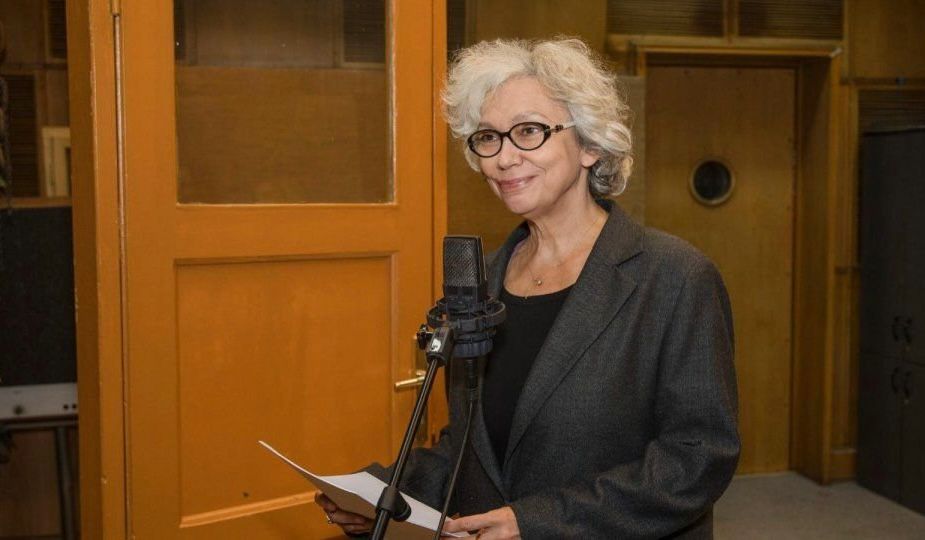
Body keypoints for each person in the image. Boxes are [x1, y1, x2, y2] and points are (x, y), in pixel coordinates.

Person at [315, 37, 739, 539]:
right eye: (488, 137)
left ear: (590, 145)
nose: (503, 158)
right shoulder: (481, 280)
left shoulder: (675, 277)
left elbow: (697, 459)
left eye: (529, 131)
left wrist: (535, 523)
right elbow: (471, 448)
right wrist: (385, 495)